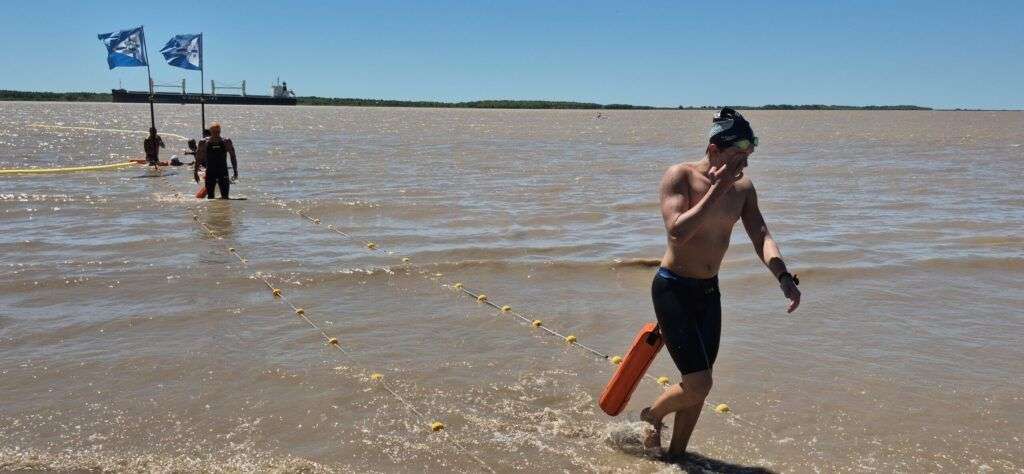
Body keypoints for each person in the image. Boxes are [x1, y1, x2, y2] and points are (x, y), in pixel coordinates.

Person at [640, 107, 801, 460]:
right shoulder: (679, 176)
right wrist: (717, 188)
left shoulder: (743, 187)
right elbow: (678, 232)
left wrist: (783, 276)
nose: (745, 163)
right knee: (700, 382)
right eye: (738, 156)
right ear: (714, 149)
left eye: (749, 155)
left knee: (699, 385)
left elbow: (761, 235)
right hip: (673, 288)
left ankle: (676, 458)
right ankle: (652, 416)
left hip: (708, 292)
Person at [202, 122, 237, 199]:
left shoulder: (226, 141)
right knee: (210, 198)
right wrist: (195, 171)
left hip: (223, 172)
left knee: (225, 198)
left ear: (220, 131)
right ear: (210, 132)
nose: (216, 133)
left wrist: (235, 171)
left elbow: (233, 156)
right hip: (210, 172)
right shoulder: (204, 142)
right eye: (214, 132)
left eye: (218, 132)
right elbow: (198, 157)